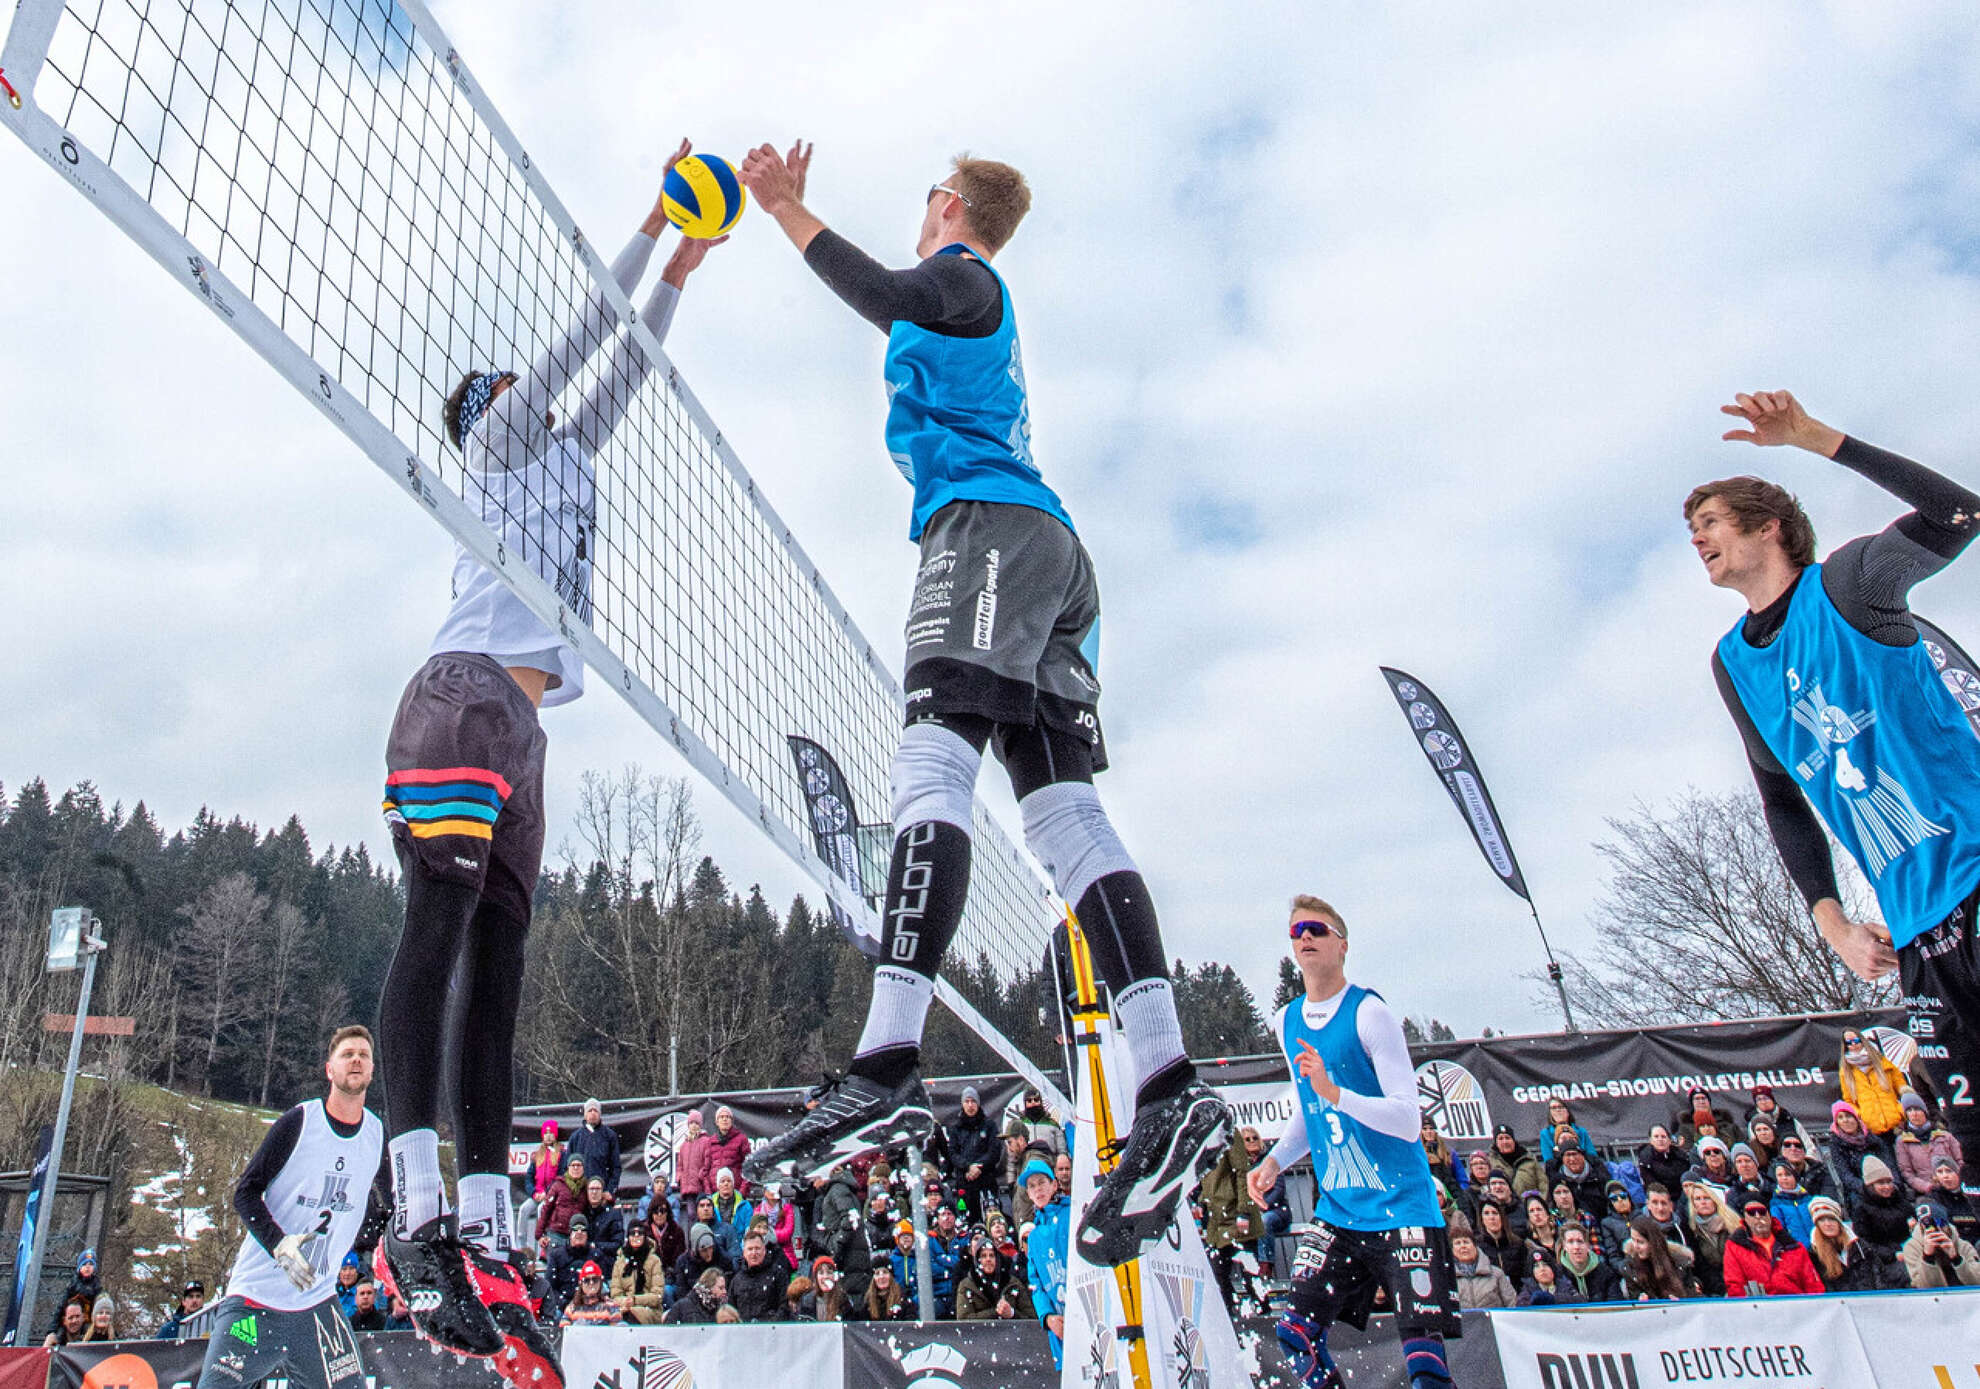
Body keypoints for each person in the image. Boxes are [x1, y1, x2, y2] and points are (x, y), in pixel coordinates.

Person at [734, 145, 1228, 1264]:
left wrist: (784, 209)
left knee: (930, 771)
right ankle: (1169, 1084)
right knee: (1063, 820)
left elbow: (887, 296)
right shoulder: (974, 303)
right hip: (1048, 552)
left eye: (927, 198)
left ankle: (886, 1063)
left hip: (991, 535)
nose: (921, 215)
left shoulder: (966, 277)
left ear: (951, 207)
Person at [375, 144, 725, 1375]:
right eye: (514, 384)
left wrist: (681, 268)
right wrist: (643, 224)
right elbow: (587, 331)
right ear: (489, 407)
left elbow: (630, 359)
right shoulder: (501, 444)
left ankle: (481, 1226)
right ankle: (410, 1208)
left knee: (502, 978)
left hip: (525, 736)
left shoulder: (569, 462)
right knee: (435, 940)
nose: (537, 387)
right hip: (463, 696)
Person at [1693, 391, 1980, 1188]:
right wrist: (1834, 924)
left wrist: (1818, 438)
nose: (1698, 537)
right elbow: (1781, 799)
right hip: (1918, 928)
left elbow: (1959, 514)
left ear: (1768, 527)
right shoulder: (1733, 662)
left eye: (1713, 520)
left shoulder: (1849, 584)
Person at [1246, 897, 1460, 1389]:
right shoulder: (1287, 1021)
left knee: (1426, 1367)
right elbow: (1310, 1109)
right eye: (1297, 930)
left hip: (1401, 1207)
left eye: (1317, 930)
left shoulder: (1369, 1013)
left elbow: (1409, 1120)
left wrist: (1336, 1093)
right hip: (1340, 1212)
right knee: (1295, 1334)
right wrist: (1277, 1159)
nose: (1305, 937)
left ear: (1341, 945)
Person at [192, 1027, 388, 1389]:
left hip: (317, 1305)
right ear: (329, 1069)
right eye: (347, 1054)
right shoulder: (300, 1121)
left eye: (363, 1054)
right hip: (256, 1296)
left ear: (373, 1070)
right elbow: (245, 1192)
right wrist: (279, 1244)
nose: (356, 1059)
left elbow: (389, 1207)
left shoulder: (376, 1134)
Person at [1720, 1193, 1822, 1297]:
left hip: (1795, 1306)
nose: (1758, 1216)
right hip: (1757, 1308)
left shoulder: (1794, 1247)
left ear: (1769, 1214)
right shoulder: (1734, 1247)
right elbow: (1735, 1285)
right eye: (1751, 1213)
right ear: (1744, 1218)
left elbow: (1813, 1286)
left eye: (1762, 1212)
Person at [1019, 1159, 1069, 1369]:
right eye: (1031, 1186)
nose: (1037, 1189)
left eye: (1041, 1182)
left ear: (1054, 1184)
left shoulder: (1072, 1214)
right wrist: (1047, 1317)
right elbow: (1035, 1283)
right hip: (1059, 1326)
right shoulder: (1033, 1236)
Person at [1805, 1196, 1899, 1292]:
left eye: (1831, 1219)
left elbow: (1879, 1275)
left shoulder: (1860, 1246)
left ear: (1839, 1221)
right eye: (1821, 1220)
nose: (1827, 1224)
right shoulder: (1814, 1254)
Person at [946, 1087, 1001, 1222]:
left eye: (973, 1101)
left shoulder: (989, 1125)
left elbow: (995, 1152)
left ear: (978, 1104)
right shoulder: (956, 1129)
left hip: (986, 1182)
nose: (970, 1105)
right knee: (967, 1222)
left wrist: (979, 1167)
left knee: (991, 1221)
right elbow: (952, 1154)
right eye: (967, 1101)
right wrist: (968, 1167)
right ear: (962, 1104)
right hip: (965, 1183)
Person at [1895, 1091, 1964, 1195]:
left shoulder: (1945, 1135)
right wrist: (1928, 1187)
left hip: (1956, 1188)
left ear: (1925, 1111)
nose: (1914, 1114)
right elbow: (1907, 1173)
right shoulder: (1902, 1142)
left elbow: (1960, 1160)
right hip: (1929, 1193)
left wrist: (1954, 1180)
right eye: (1909, 1110)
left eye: (1917, 1109)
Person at [1620, 1215, 1697, 1301]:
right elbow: (1633, 1296)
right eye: (1633, 1240)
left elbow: (1692, 1295)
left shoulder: (1680, 1263)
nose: (1635, 1246)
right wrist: (1639, 1298)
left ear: (1653, 1243)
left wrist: (1681, 1300)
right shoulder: (1629, 1268)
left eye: (1641, 1242)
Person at [1902, 1203, 1980, 1288]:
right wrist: (1928, 1258)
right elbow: (1922, 1288)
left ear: (1947, 1224)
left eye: (1941, 1223)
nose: (1936, 1229)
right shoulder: (1912, 1247)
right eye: (1928, 1225)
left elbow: (1976, 1283)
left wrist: (1956, 1259)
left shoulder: (1963, 1246)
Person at [1448, 1218, 1515, 1309]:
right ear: (1452, 1250)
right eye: (1458, 1243)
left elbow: (1512, 1303)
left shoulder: (1496, 1274)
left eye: (1466, 1242)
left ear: (1475, 1246)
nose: (1463, 1246)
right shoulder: (1447, 1278)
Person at [608, 1221, 666, 1325]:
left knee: (630, 1316)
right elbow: (615, 1295)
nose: (636, 1236)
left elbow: (657, 1296)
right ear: (628, 1237)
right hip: (624, 1308)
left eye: (640, 1233)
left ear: (645, 1236)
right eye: (632, 1233)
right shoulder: (619, 1262)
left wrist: (635, 1300)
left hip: (650, 1310)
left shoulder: (654, 1260)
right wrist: (625, 1302)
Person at [729, 1231, 790, 1323]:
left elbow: (785, 1306)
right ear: (744, 1252)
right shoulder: (736, 1280)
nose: (754, 1253)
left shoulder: (778, 1274)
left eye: (757, 1248)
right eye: (750, 1249)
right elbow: (731, 1311)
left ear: (764, 1250)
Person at [1552, 1225, 1621, 1304]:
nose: (1576, 1247)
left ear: (1588, 1245)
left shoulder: (1606, 1273)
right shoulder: (1557, 1273)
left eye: (1580, 1241)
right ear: (1564, 1246)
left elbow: (1615, 1304)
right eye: (1570, 1242)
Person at [1636, 1126, 1692, 1201]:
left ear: (1669, 1140)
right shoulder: (1645, 1161)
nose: (1660, 1139)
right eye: (1656, 1137)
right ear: (1651, 1141)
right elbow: (1652, 1186)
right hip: (1661, 1199)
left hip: (1684, 1196)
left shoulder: (1682, 1157)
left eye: (1663, 1136)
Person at [1488, 1125, 1546, 1197]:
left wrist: (1541, 1202)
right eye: (1500, 1139)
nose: (1505, 1142)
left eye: (1507, 1138)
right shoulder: (1490, 1162)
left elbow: (1543, 1183)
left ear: (1514, 1140)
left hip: (1530, 1205)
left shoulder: (1529, 1159)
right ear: (1495, 1143)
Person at [1536, 1099, 1592, 1165]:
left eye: (1560, 1107)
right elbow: (1549, 1162)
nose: (1558, 1110)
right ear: (1550, 1113)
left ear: (1567, 1111)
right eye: (1553, 1108)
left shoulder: (1582, 1132)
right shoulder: (1545, 1134)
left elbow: (1593, 1157)